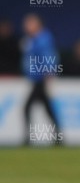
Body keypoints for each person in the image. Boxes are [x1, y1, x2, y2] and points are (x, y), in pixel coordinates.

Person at [21, 13, 62, 145]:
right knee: (48, 109)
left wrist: (48, 72)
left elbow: (48, 56)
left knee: (27, 108)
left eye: (29, 23)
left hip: (41, 79)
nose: (26, 26)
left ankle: (29, 138)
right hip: (37, 79)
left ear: (37, 24)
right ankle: (58, 138)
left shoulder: (43, 38)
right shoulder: (31, 39)